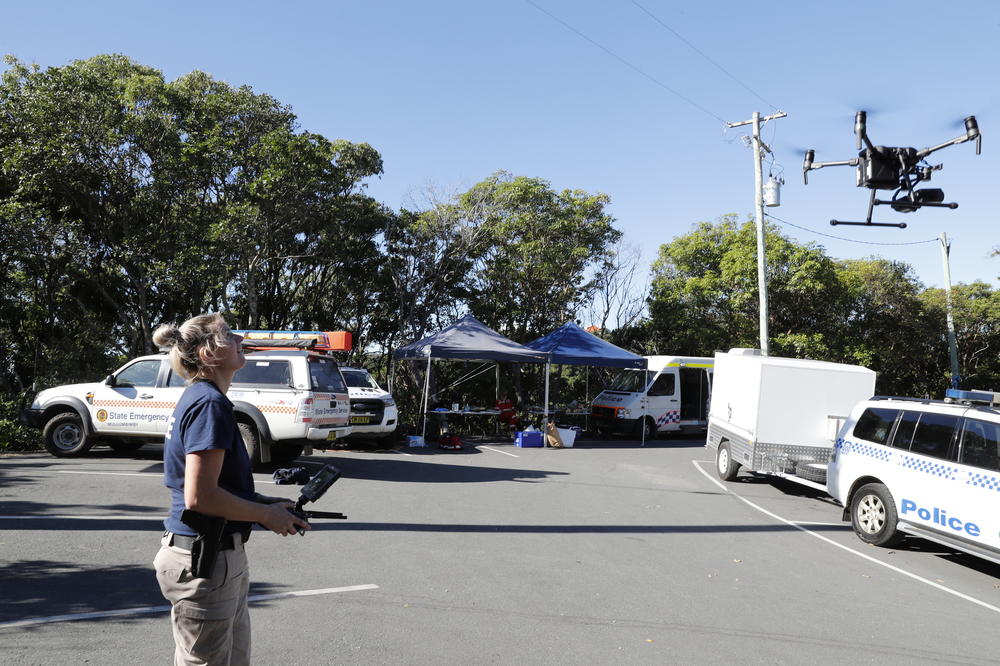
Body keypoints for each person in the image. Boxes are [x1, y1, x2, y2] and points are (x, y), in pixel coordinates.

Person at [152, 313, 309, 666]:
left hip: (218, 555)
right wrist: (266, 515)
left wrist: (268, 503)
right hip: (204, 561)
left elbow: (218, 487)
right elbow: (201, 497)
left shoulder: (205, 398)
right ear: (209, 355)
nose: (240, 339)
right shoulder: (209, 404)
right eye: (229, 334)